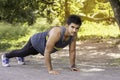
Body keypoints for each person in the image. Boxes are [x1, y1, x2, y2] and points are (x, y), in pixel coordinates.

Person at [1, 14, 82, 75]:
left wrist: (73, 66)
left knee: (32, 53)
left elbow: (72, 51)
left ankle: (20, 56)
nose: (74, 30)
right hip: (36, 41)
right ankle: (5, 56)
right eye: (72, 27)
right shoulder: (57, 33)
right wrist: (50, 70)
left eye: (77, 28)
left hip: (42, 47)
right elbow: (47, 51)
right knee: (23, 52)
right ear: (67, 25)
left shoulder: (73, 35)